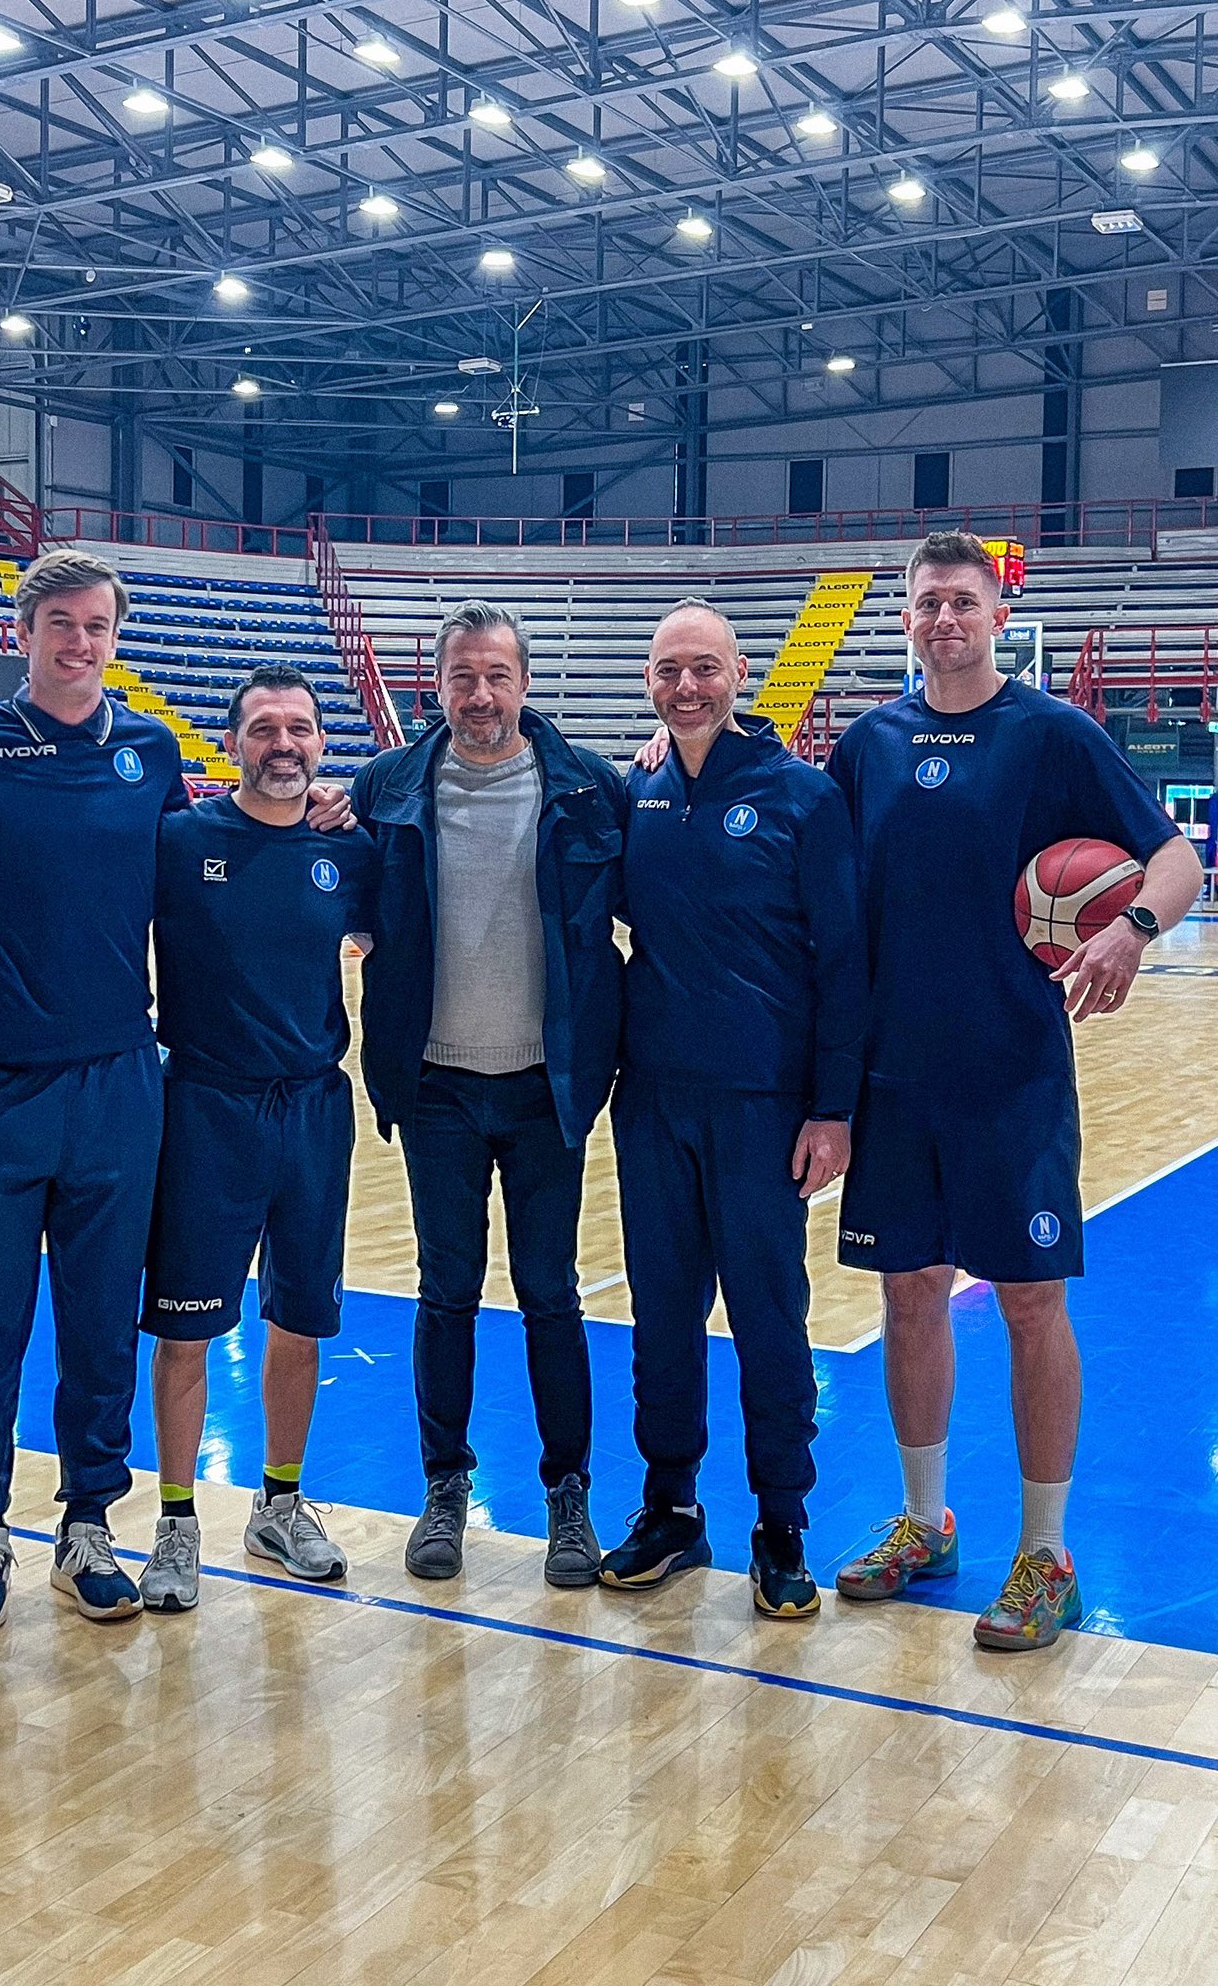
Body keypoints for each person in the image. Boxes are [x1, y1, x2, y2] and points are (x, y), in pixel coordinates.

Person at [0, 550, 353, 1632]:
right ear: (23, 633)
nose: (78, 642)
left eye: (97, 625)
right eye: (58, 623)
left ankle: (88, 1524)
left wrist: (337, 807)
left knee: (105, 1320)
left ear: (116, 637)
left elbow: (220, 861)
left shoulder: (148, 752)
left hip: (121, 1082)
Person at [828, 529, 1204, 1650]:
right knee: (907, 1294)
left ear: (999, 616)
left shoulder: (1054, 732)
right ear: (906, 618)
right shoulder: (871, 743)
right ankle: (922, 1520)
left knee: (1033, 1303)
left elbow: (1175, 856)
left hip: (1013, 1074)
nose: (944, 618)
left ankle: (1045, 1553)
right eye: (927, 602)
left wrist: (1134, 929)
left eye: (962, 601)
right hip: (892, 1074)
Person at [352, 600, 628, 1588]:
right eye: (463, 677)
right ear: (439, 684)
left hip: (547, 1089)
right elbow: (324, 900)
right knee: (446, 1291)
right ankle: (444, 1488)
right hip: (436, 1086)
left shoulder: (594, 790)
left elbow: (674, 907)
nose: (480, 695)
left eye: (496, 676)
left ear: (524, 683)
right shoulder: (385, 788)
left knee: (551, 1294)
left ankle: (569, 1494)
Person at [603, 602, 865, 1617]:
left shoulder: (806, 796)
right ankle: (671, 1504)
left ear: (741, 672)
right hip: (655, 1097)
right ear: (649, 680)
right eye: (669, 667)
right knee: (661, 1315)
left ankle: (781, 1521)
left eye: (704, 666)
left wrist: (833, 1108)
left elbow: (846, 965)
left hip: (765, 1106)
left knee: (769, 1318)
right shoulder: (637, 791)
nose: (686, 685)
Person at [136, 665, 376, 1612]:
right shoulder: (179, 842)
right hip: (206, 1107)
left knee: (301, 1318)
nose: (286, 745)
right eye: (265, 729)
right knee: (187, 1328)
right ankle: (175, 1521)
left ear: (323, 745)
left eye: (303, 730)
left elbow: (394, 942)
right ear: (230, 742)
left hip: (315, 1108)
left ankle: (280, 1503)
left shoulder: (346, 851)